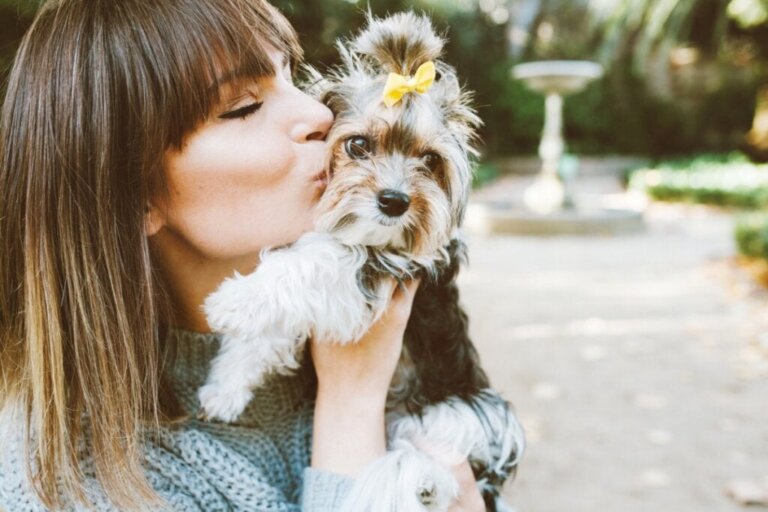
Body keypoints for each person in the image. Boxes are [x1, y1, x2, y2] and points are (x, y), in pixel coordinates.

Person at [0, 0, 485, 510]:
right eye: (243, 107)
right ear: (133, 196)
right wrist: (352, 404)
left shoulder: (397, 332)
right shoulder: (59, 483)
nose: (320, 114)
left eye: (290, 74)